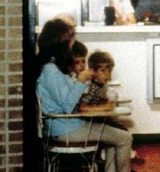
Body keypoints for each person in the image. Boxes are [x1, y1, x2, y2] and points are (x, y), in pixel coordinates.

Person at [36, 20, 133, 172]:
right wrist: (81, 80)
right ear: (61, 43)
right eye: (71, 40)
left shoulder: (53, 68)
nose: (73, 43)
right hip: (66, 129)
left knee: (115, 138)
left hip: (66, 126)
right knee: (125, 138)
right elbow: (68, 106)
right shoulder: (51, 71)